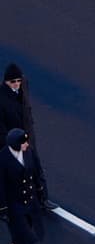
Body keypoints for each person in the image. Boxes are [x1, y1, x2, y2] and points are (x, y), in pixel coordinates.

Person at [0, 66, 56, 214]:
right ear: (6, 82)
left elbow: (26, 109)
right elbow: (1, 127)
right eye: (13, 81)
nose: (16, 84)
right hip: (12, 142)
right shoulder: (1, 99)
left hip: (27, 137)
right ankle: (4, 207)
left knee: (36, 168)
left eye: (18, 80)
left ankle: (43, 198)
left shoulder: (24, 85)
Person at [1, 129, 48, 244]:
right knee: (27, 237)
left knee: (26, 233)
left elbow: (37, 172)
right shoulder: (2, 159)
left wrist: (41, 190)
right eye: (24, 142)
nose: (27, 144)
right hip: (15, 205)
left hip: (31, 200)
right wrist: (2, 207)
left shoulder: (29, 152)